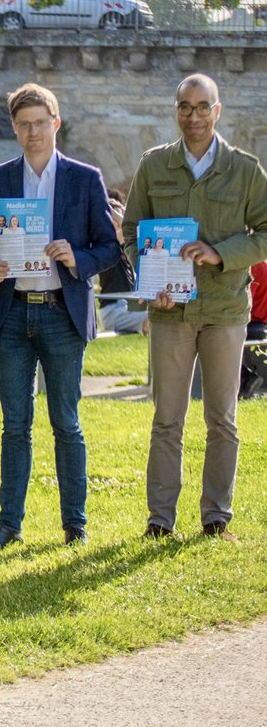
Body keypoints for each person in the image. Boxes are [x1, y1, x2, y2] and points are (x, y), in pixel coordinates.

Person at [0, 83, 120, 550]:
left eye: (40, 123)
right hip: (11, 315)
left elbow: (109, 248)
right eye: (24, 125)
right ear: (14, 129)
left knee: (66, 422)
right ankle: (9, 524)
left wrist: (78, 258)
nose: (33, 132)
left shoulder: (84, 178)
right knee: (15, 425)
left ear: (56, 124)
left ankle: (75, 524)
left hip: (61, 312)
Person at [124, 74, 267, 540]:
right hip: (170, 312)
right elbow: (132, 231)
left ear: (217, 111)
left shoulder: (245, 169)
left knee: (222, 419)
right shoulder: (154, 165)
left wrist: (220, 253)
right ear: (176, 111)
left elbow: (265, 232)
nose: (194, 116)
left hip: (225, 309)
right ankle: (159, 519)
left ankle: (216, 517)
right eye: (185, 107)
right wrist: (150, 281)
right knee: (167, 418)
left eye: (203, 107)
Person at [97, 189, 148, 336]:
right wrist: (112, 210)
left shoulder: (125, 248)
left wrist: (123, 211)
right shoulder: (106, 248)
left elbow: (134, 230)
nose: (120, 224)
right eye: (116, 220)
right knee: (155, 320)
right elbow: (129, 227)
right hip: (113, 311)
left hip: (128, 308)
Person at [240, 261, 267, 399]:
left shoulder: (253, 265)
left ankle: (245, 377)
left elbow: (244, 302)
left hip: (254, 319)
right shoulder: (261, 263)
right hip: (258, 319)